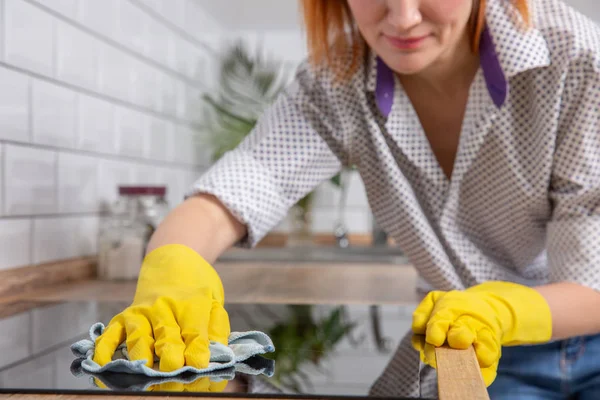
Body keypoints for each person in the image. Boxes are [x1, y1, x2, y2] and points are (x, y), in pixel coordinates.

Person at [92, 0, 600, 398]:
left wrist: (507, 311)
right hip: (472, 348)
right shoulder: (337, 80)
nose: (402, 17)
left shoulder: (574, 58)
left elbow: (591, 281)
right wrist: (173, 265)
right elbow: (237, 188)